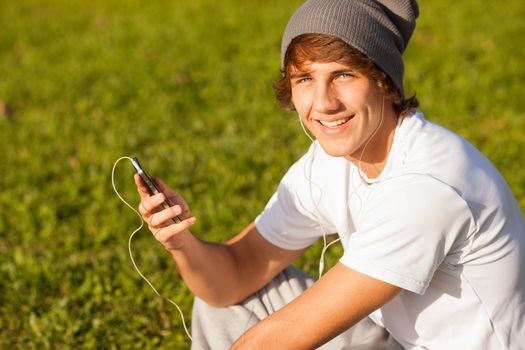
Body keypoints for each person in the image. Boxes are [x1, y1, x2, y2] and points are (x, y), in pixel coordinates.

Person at [135, 0, 525, 349]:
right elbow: (234, 276)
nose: (322, 103)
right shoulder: (330, 162)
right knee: (230, 306)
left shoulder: (427, 186)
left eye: (343, 75)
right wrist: (182, 244)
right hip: (395, 340)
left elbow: (283, 339)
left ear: (383, 82)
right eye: (305, 78)